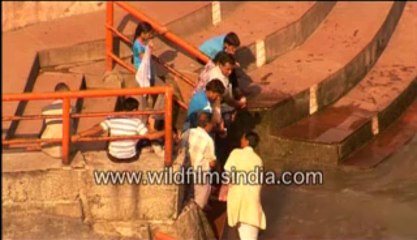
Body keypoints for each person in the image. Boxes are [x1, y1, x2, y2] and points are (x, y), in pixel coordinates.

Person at [74, 98, 164, 162]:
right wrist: (165, 131)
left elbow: (97, 129)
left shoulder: (112, 118)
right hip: (131, 157)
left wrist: (79, 135)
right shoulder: (137, 122)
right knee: (142, 138)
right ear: (134, 110)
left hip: (113, 157)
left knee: (108, 129)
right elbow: (150, 136)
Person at [224, 131, 266, 240]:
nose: (240, 140)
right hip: (251, 205)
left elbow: (228, 174)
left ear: (247, 141)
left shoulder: (236, 153)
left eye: (242, 138)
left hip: (236, 203)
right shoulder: (258, 160)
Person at [181, 111, 217, 209]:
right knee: (199, 203)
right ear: (208, 124)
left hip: (184, 170)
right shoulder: (208, 140)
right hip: (200, 174)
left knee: (186, 199)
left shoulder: (187, 132)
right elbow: (212, 163)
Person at [40, 82, 76, 158]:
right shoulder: (72, 109)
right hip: (68, 148)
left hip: (48, 148)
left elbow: (44, 127)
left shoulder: (45, 109)